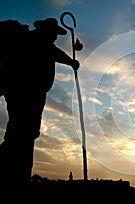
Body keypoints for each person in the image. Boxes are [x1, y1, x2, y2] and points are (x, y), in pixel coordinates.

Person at [0, 17, 80, 199]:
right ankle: (14, 178)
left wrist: (70, 62)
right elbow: (56, 53)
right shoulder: (38, 41)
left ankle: (17, 176)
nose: (55, 38)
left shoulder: (35, 41)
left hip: (28, 94)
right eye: (54, 34)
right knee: (23, 134)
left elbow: (55, 52)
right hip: (27, 93)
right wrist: (71, 62)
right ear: (45, 30)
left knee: (22, 133)